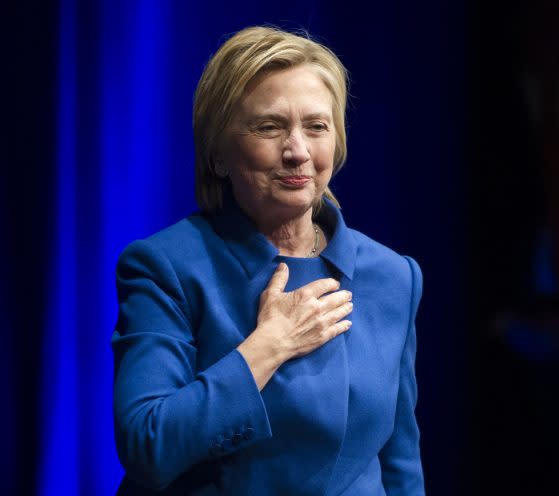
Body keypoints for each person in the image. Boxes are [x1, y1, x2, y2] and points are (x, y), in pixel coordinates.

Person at [112, 26, 425, 495]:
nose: (298, 151)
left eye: (317, 127)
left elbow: (399, 465)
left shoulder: (392, 276)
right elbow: (147, 445)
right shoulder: (166, 267)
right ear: (219, 153)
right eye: (269, 127)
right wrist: (269, 346)